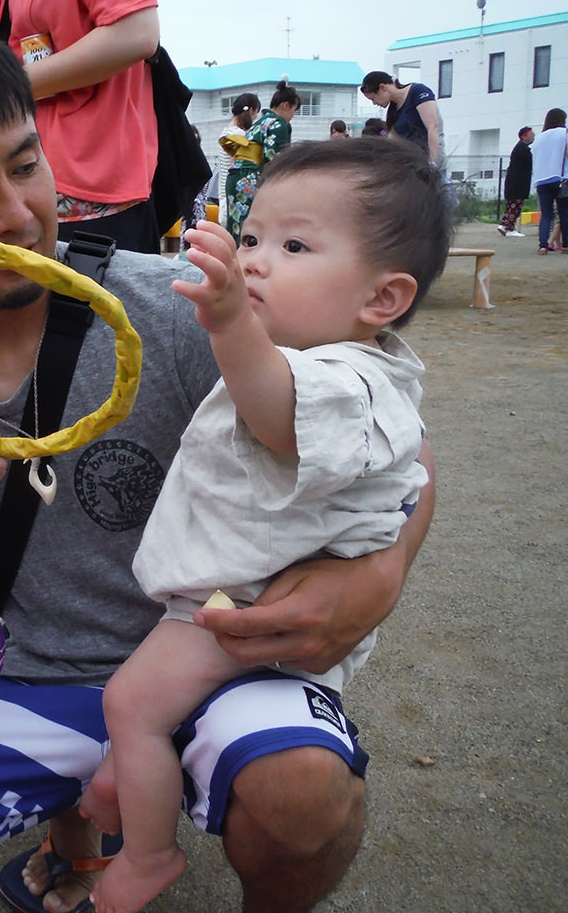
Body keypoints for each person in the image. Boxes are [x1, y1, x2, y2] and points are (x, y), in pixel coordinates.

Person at [0, 20, 434, 913]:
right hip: (30, 686)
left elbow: (397, 452)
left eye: (25, 164)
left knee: (301, 796)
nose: (15, 213)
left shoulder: (184, 313)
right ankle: (75, 827)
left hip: (212, 661)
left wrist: (377, 578)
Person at [81, 138, 447, 913]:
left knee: (131, 706)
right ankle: (126, 784)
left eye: (293, 245)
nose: (254, 260)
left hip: (243, 610)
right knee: (133, 711)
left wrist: (227, 323)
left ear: (382, 300)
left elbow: (278, 413)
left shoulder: (348, 377)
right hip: (228, 599)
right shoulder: (313, 356)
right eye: (249, 238)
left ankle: (144, 857)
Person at [0, 0, 162, 253]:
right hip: (3, 192)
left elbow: (137, 33)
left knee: (100, 295)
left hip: (93, 191)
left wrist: (3, 87)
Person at [227, 79, 300, 239]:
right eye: (295, 110)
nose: (293, 115)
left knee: (236, 229)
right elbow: (275, 162)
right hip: (251, 177)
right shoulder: (277, 124)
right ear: (286, 105)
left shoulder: (260, 122)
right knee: (252, 231)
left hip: (235, 177)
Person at [360, 71, 443, 168]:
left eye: (373, 99)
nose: (374, 103)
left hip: (430, 155)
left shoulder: (418, 92)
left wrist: (433, 162)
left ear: (383, 87)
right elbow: (397, 141)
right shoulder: (393, 109)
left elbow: (433, 126)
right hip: (412, 160)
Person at [530, 108, 568, 255]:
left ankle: (543, 245)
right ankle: (566, 246)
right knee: (564, 213)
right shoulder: (567, 132)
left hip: (541, 180)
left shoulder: (539, 138)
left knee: (546, 214)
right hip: (561, 179)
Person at [216, 92, 259, 230]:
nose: (256, 117)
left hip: (223, 195)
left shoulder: (226, 131)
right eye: (256, 113)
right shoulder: (238, 135)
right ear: (251, 110)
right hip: (234, 196)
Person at [499, 127, 535, 237]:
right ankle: (509, 227)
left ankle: (504, 224)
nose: (533, 136)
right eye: (531, 134)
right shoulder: (523, 149)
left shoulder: (519, 148)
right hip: (518, 183)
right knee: (516, 205)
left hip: (513, 181)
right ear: (524, 136)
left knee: (511, 204)